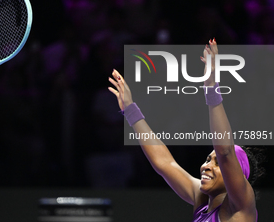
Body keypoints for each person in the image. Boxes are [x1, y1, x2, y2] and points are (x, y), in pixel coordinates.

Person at [108, 39, 264, 221]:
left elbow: (225, 151)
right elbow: (165, 163)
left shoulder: (242, 205)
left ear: (237, 174)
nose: (206, 166)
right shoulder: (201, 201)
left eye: (217, 163)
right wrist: (130, 110)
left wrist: (211, 88)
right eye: (208, 159)